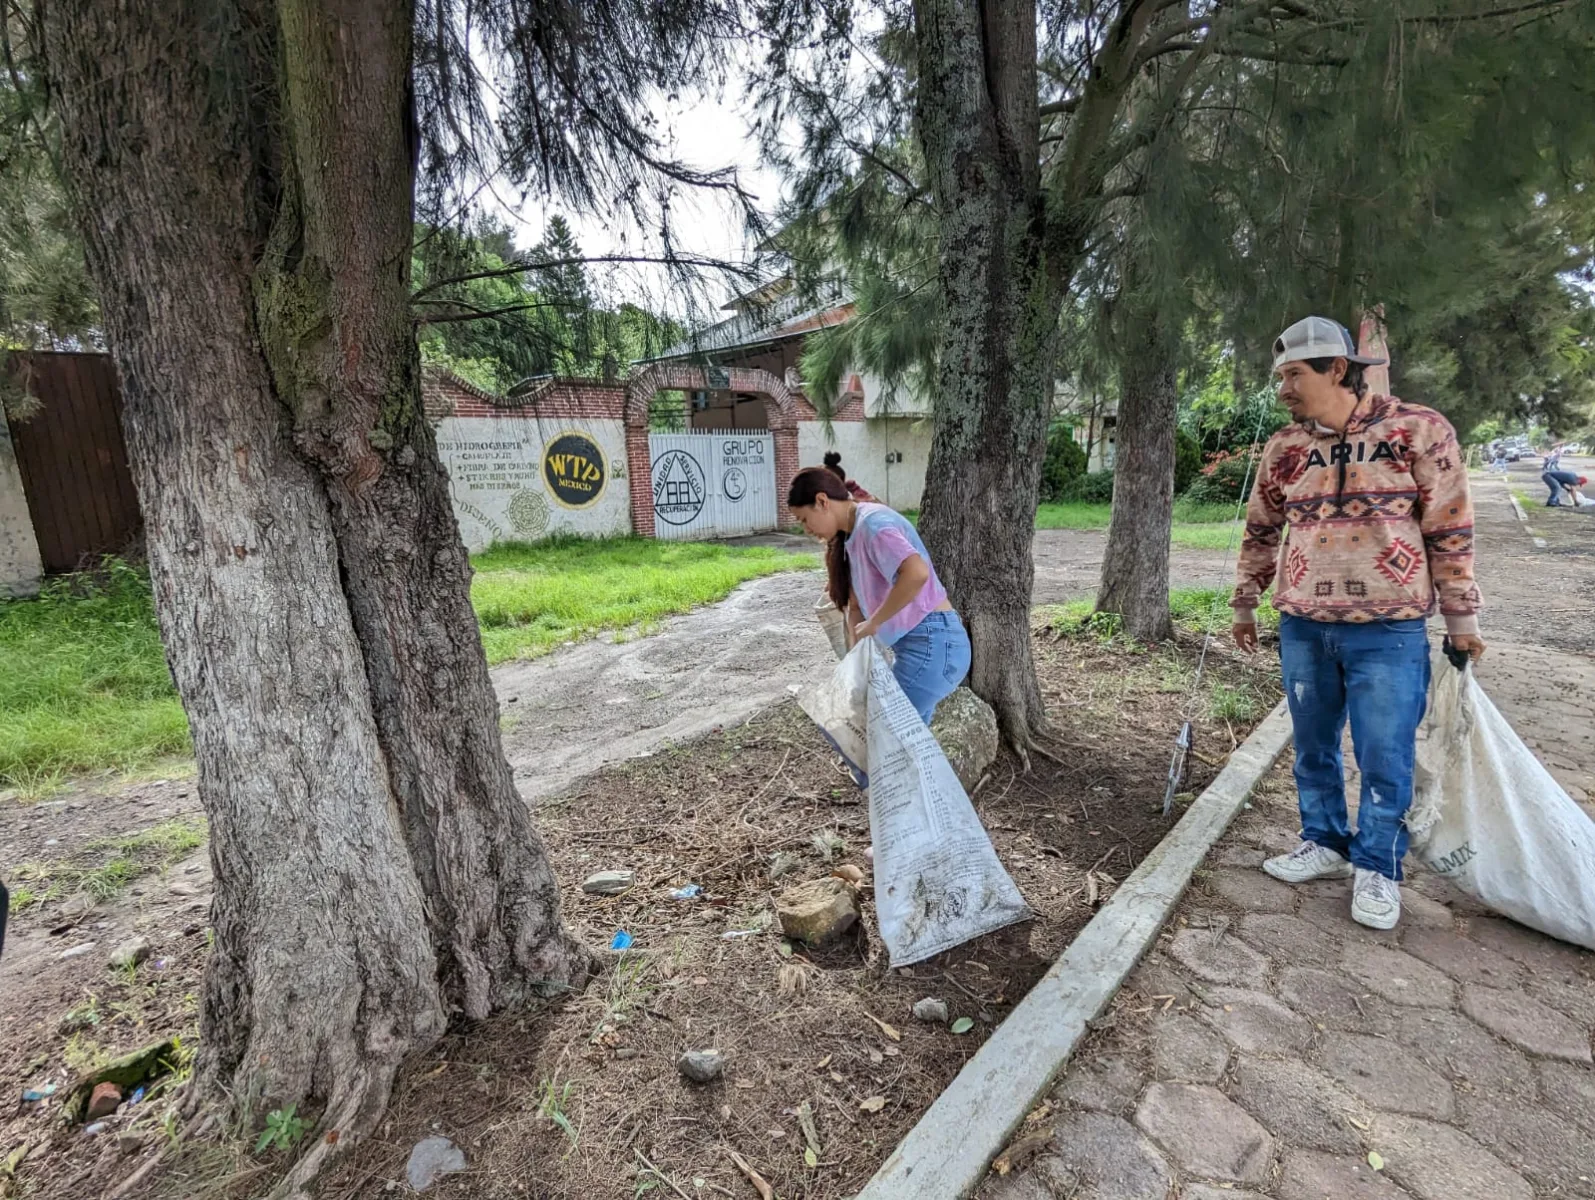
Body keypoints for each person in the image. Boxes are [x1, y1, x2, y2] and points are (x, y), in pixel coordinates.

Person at [1232, 315, 1485, 931]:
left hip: (1389, 632)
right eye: (1280, 377)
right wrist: (1246, 598)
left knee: (1384, 753)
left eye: (1294, 375)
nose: (1283, 389)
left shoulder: (1417, 431)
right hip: (1303, 626)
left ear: (1336, 369)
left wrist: (1460, 618)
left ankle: (1378, 865)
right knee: (1313, 747)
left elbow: (1449, 528)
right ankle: (1322, 842)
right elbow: (1261, 527)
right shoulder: (1286, 448)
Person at [788, 466, 970, 725]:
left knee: (882, 738)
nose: (806, 529)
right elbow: (855, 606)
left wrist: (876, 621)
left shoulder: (873, 524)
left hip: (934, 644)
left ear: (822, 501)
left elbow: (916, 573)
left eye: (804, 519)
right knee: (906, 753)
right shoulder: (851, 537)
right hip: (923, 646)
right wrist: (854, 665)